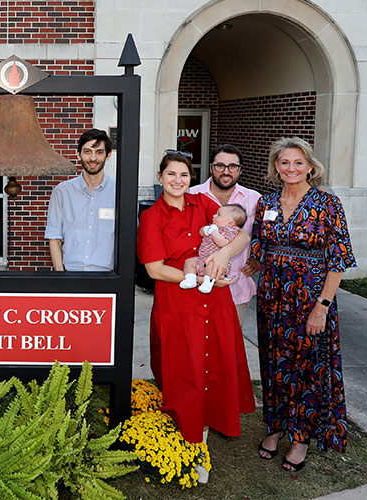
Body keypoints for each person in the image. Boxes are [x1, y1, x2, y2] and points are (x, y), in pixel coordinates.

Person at [137, 150, 256, 483]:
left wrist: (222, 253)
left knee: (213, 371)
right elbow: (155, 269)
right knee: (184, 374)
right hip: (178, 304)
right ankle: (186, 445)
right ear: (160, 177)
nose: (178, 181)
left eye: (185, 175)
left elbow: (241, 235)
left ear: (191, 179)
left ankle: (200, 445)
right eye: (171, 174)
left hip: (215, 303)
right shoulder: (152, 217)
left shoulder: (203, 204)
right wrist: (202, 277)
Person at [251, 137, 356, 471]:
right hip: (272, 298)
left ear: (310, 166)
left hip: (309, 297)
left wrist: (322, 306)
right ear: (276, 167)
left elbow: (338, 260)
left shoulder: (327, 204)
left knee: (307, 368)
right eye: (284, 162)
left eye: (298, 163)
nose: (291, 169)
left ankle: (300, 439)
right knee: (273, 364)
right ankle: (275, 427)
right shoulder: (266, 202)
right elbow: (255, 245)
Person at [188, 144, 262, 325]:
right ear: (212, 167)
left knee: (229, 350)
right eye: (220, 166)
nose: (226, 172)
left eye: (233, 167)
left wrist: (258, 258)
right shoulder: (192, 194)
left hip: (236, 288)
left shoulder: (254, 199)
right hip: (197, 288)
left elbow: (264, 236)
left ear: (240, 170)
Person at [45, 129, 115, 271]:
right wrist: (62, 277)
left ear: (108, 155)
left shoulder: (119, 192)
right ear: (79, 155)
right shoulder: (62, 192)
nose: (93, 158)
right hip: (71, 275)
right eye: (87, 151)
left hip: (108, 277)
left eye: (99, 152)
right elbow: (54, 238)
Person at [180, 204, 247, 293]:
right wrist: (205, 229)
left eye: (218, 215)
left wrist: (213, 231)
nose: (214, 216)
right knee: (189, 262)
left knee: (211, 265)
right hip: (202, 259)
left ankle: (208, 283)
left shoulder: (231, 231)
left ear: (230, 223)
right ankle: (190, 279)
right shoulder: (213, 227)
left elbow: (222, 242)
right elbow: (201, 233)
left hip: (217, 263)